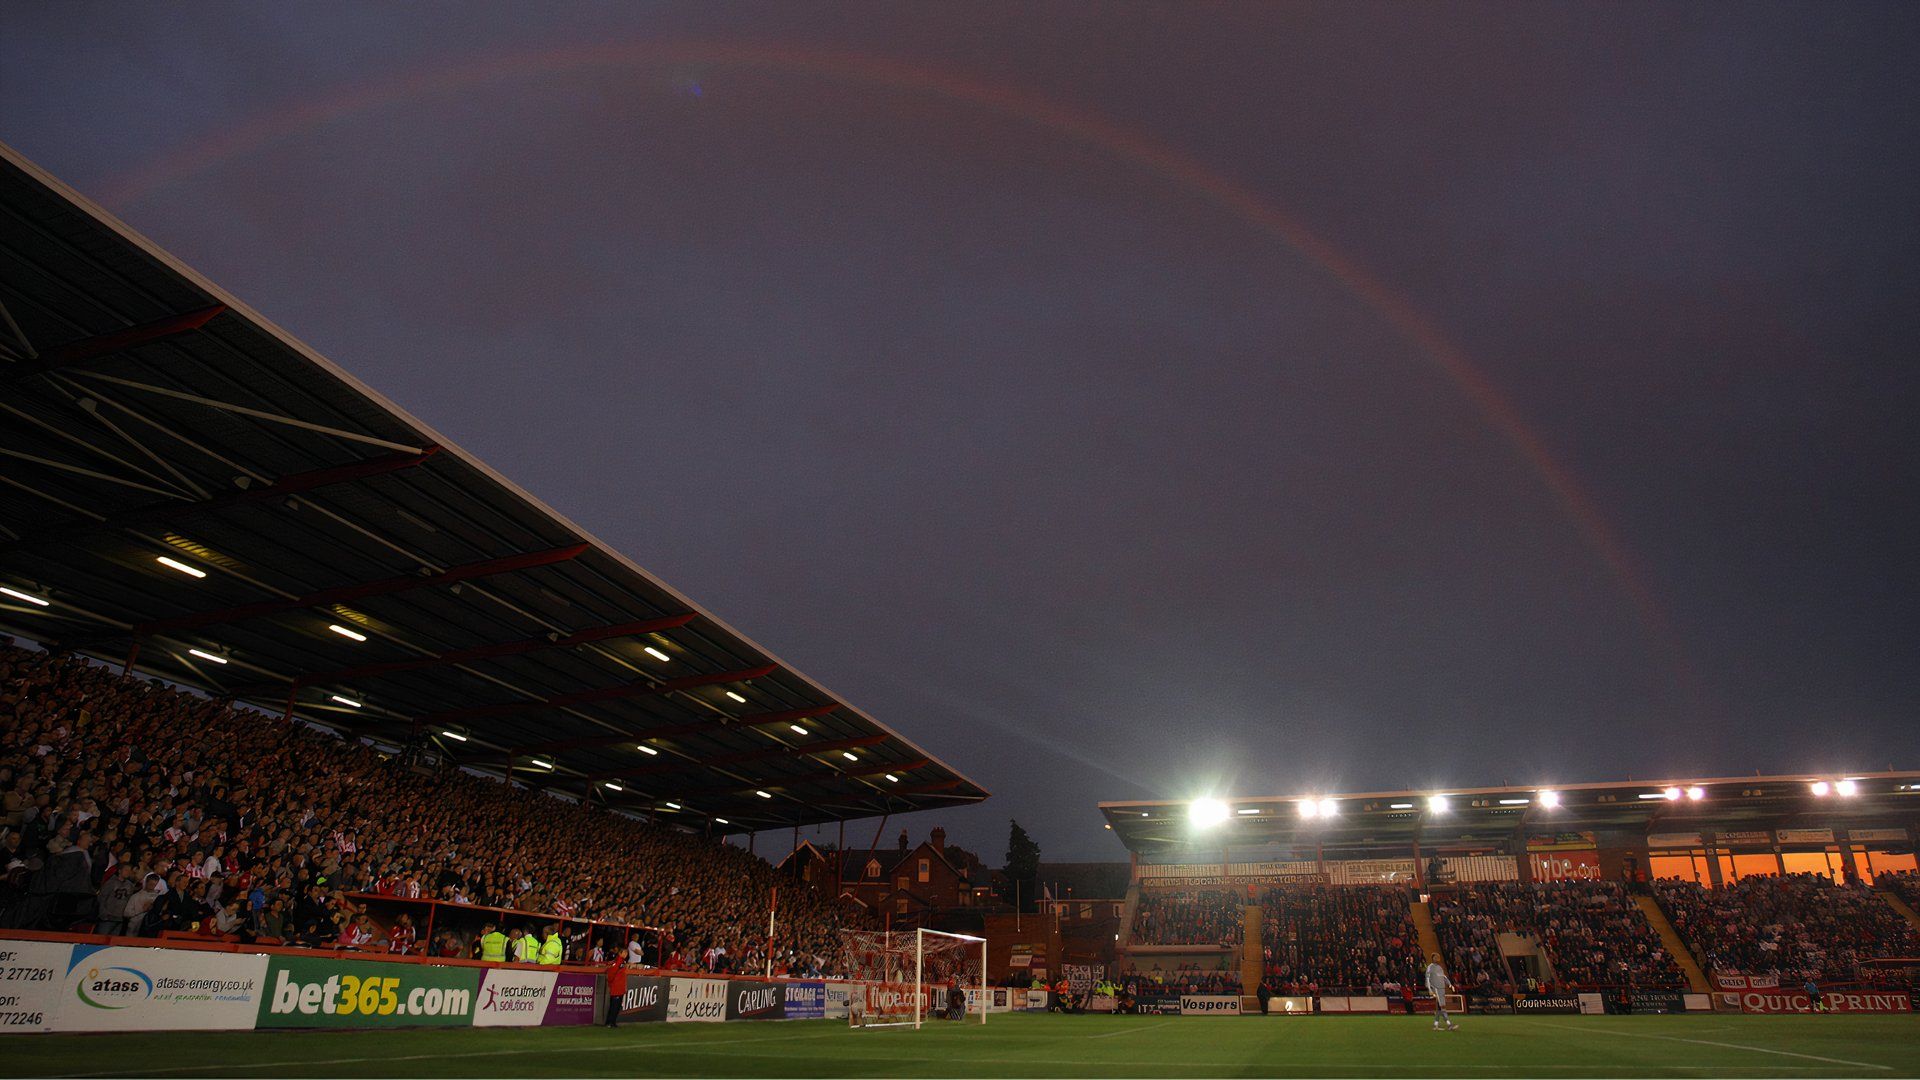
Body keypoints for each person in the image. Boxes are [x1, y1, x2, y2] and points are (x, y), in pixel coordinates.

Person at [1425, 953, 1458, 1031]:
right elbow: (1427, 979)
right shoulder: (1430, 967)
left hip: (1442, 989)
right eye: (1436, 957)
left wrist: (1450, 985)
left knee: (1440, 1008)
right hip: (1436, 989)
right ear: (1433, 958)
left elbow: (1444, 977)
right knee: (1443, 1007)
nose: (1438, 958)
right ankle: (1449, 1025)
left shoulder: (1440, 967)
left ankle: (1436, 1025)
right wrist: (1430, 990)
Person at [605, 954, 627, 1027]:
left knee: (615, 1006)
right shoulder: (617, 962)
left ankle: (611, 1022)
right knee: (614, 1006)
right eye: (624, 952)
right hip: (616, 988)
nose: (625, 954)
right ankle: (610, 1022)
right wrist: (610, 983)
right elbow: (611, 973)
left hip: (619, 988)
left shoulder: (621, 962)